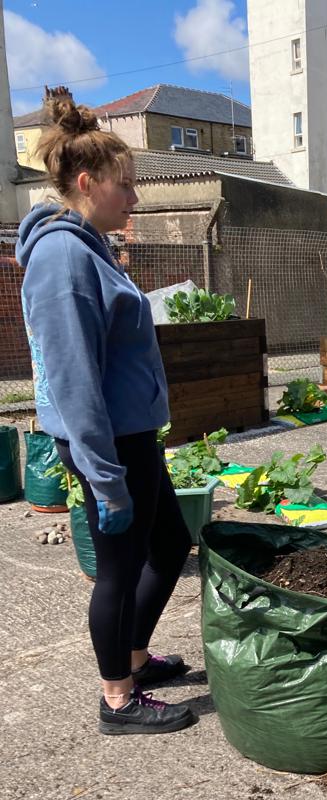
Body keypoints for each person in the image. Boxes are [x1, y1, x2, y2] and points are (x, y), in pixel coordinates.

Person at [17, 87, 196, 734]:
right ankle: (117, 696)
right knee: (118, 569)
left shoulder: (88, 246)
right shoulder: (64, 259)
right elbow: (70, 380)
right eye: (127, 186)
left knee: (171, 543)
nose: (136, 198)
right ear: (88, 183)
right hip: (109, 443)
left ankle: (136, 655)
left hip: (131, 435)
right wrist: (102, 474)